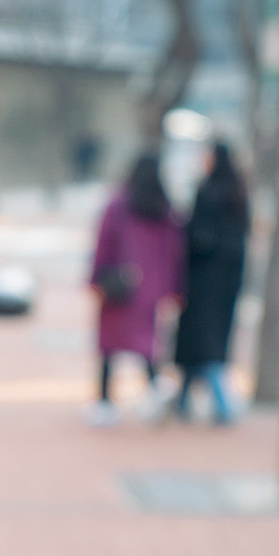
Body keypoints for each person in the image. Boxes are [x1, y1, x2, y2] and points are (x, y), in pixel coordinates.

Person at [86, 153, 184, 427]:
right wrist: (172, 288)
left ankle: (105, 402)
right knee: (147, 344)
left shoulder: (119, 205)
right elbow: (175, 253)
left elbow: (103, 242)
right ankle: (155, 392)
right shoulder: (164, 208)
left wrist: (96, 279)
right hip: (151, 289)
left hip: (120, 285)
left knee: (109, 346)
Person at [173, 143, 250, 424]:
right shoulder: (238, 194)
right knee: (207, 344)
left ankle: (221, 404)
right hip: (227, 283)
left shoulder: (208, 193)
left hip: (203, 281)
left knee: (201, 345)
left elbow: (196, 237)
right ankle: (184, 401)